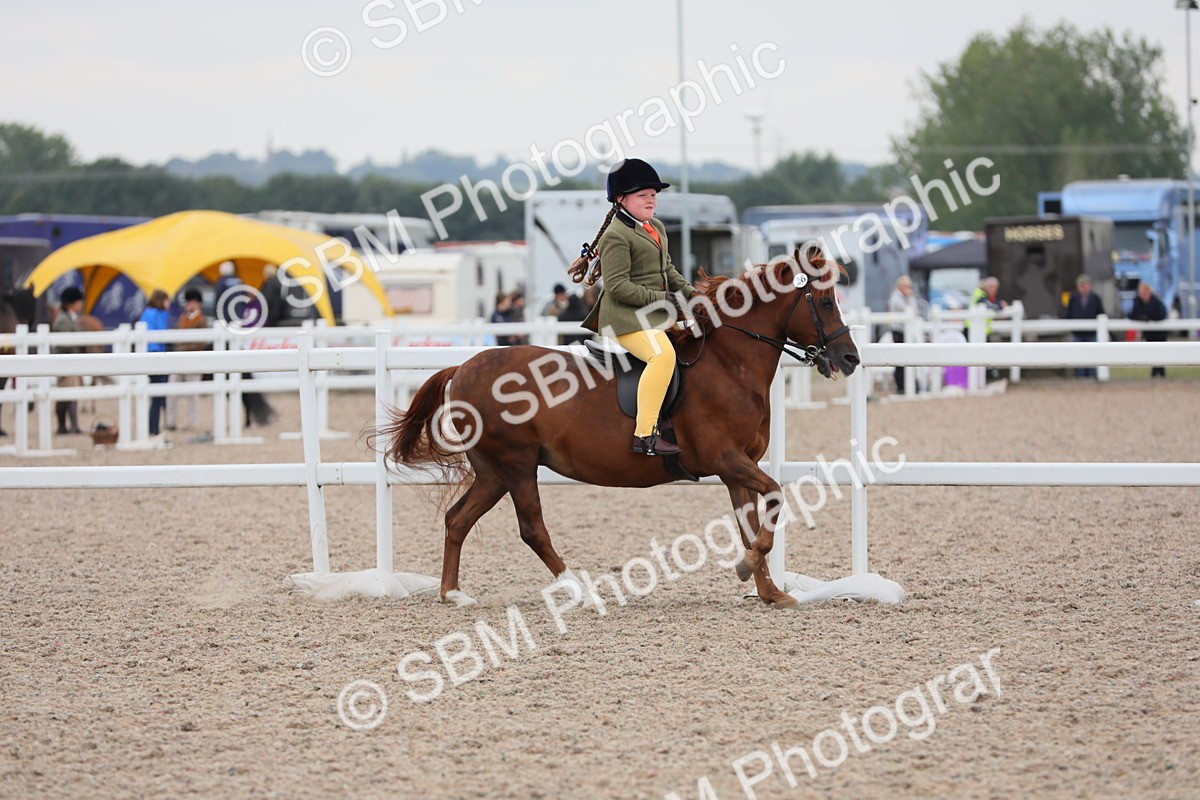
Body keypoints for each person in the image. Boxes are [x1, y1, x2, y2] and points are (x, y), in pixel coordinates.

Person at [573, 157, 698, 457]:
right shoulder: (616, 235)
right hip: (625, 319)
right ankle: (644, 435)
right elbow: (617, 287)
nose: (651, 200)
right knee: (662, 356)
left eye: (653, 195)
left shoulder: (655, 227)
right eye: (643, 195)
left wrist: (695, 296)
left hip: (655, 315)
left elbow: (668, 270)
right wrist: (663, 300)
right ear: (621, 199)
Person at [166, 288, 208, 431]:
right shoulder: (182, 318)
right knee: (172, 390)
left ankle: (192, 422)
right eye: (188, 302)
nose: (189, 305)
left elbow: (200, 342)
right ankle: (170, 421)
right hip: (178, 358)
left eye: (192, 302)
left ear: (198, 304)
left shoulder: (201, 320)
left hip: (193, 358)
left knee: (192, 394)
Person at [52, 286, 85, 434]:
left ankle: (70, 425)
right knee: (66, 396)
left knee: (71, 395)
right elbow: (65, 342)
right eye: (78, 301)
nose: (81, 304)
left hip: (71, 361)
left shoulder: (69, 318)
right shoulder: (63, 321)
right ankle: (63, 425)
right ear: (72, 303)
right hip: (65, 361)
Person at [139, 289, 171, 438]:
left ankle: (152, 426)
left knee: (153, 395)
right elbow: (162, 334)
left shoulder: (146, 313)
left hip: (146, 355)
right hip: (157, 355)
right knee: (158, 396)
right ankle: (154, 427)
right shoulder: (158, 314)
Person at [1065, 273, 1105, 379]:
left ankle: (1093, 378)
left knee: (1093, 357)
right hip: (1078, 333)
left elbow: (1101, 314)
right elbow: (1068, 315)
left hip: (1091, 333)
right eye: (1080, 285)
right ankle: (1080, 379)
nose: (1082, 287)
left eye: (1084, 284)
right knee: (1079, 359)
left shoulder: (1096, 299)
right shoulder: (1073, 299)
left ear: (1089, 285)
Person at [886, 275, 919, 394]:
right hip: (898, 332)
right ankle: (901, 386)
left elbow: (913, 310)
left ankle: (910, 385)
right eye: (907, 286)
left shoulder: (908, 298)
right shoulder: (895, 298)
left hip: (907, 332)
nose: (910, 289)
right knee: (899, 360)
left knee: (909, 359)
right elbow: (908, 310)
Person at [1129, 281, 1168, 378]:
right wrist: (1143, 318)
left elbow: (1162, 314)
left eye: (1145, 292)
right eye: (1142, 292)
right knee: (1152, 352)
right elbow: (1132, 314)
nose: (1144, 295)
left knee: (1159, 352)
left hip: (1159, 332)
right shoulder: (1137, 302)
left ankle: (1160, 372)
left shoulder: (1156, 301)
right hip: (1148, 333)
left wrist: (1149, 318)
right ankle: (1155, 372)